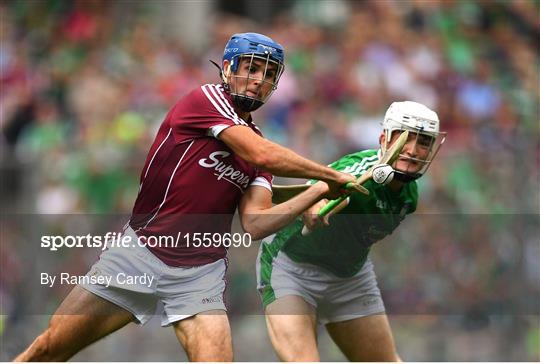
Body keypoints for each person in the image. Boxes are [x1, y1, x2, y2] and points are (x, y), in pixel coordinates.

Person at [15, 32, 359, 362]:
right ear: (228, 68)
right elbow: (262, 155)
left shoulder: (260, 149)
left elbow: (256, 223)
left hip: (200, 275)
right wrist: (330, 174)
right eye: (251, 68)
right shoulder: (207, 100)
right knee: (48, 351)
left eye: (269, 74)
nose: (259, 79)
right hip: (139, 255)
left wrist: (318, 191)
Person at [257, 101, 446, 361]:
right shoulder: (361, 174)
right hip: (290, 269)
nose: (412, 150)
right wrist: (316, 204)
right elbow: (318, 190)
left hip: (350, 278)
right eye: (404, 138)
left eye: (423, 142)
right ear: (384, 139)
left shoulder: (410, 195)